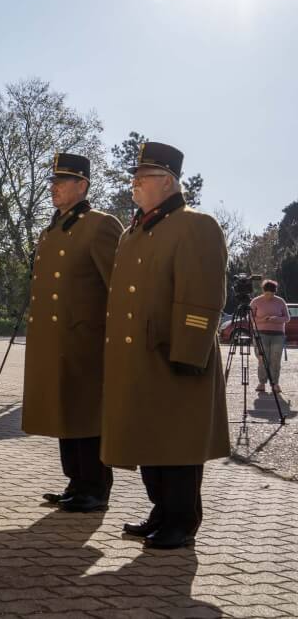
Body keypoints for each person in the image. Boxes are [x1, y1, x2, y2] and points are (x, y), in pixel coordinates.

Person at [101, 142, 229, 550]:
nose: (134, 186)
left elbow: (203, 296)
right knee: (150, 438)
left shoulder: (196, 225)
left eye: (142, 179)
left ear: (169, 182)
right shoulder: (135, 231)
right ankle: (161, 511)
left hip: (176, 354)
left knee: (178, 442)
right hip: (140, 356)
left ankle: (182, 520)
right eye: (133, 178)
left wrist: (189, 352)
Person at [22, 153, 123, 513]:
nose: (54, 188)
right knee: (65, 412)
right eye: (53, 181)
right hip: (57, 340)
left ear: (82, 185)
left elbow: (119, 287)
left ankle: (95, 487)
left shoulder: (101, 225)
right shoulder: (52, 229)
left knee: (87, 415)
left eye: (62, 182)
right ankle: (76, 482)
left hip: (86, 340)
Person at [250, 279, 290, 396]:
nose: (269, 296)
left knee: (275, 360)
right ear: (263, 291)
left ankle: (275, 383)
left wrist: (276, 319)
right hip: (261, 334)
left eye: (272, 294)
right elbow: (251, 318)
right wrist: (263, 319)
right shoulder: (256, 301)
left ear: (275, 292)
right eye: (267, 293)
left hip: (278, 335)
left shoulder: (280, 301)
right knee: (262, 359)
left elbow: (287, 318)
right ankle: (262, 383)